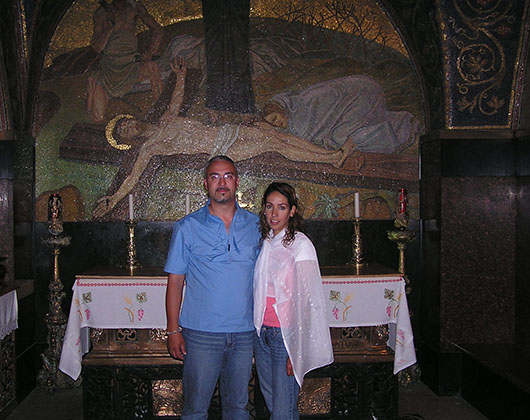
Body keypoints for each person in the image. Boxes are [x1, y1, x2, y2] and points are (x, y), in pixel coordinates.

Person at [92, 56, 350, 219]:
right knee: (274, 143)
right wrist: (113, 199)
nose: (129, 127)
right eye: (124, 132)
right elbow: (132, 177)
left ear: (132, 119)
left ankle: (332, 156)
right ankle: (331, 158)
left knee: (274, 135)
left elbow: (176, 99)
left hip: (224, 133)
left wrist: (180, 76)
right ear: (130, 140)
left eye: (126, 123)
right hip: (221, 147)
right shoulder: (149, 147)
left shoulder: (166, 121)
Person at [164, 155, 261, 419]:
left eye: (228, 176)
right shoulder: (188, 227)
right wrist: (173, 330)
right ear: (205, 183)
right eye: (215, 176)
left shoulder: (257, 225)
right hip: (201, 334)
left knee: (238, 408)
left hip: (244, 332)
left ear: (237, 182)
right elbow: (175, 281)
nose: (222, 182)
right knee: (196, 409)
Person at [253, 182, 333, 419]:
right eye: (269, 207)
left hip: (284, 334)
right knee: (272, 403)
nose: (274, 214)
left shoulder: (300, 245)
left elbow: (308, 298)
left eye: (281, 207)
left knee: (284, 407)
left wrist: (296, 347)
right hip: (262, 331)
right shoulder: (267, 241)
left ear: (293, 211)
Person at [263, 75, 421, 159]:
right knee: (344, 135)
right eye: (274, 124)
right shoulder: (295, 118)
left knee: (341, 138)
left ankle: (398, 133)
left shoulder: (303, 107)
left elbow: (314, 133)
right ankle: (399, 123)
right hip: (353, 102)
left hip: (364, 92)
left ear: (281, 110)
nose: (279, 123)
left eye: (276, 118)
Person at [87, 0, 164, 122]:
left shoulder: (134, 7)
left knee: (151, 66)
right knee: (97, 117)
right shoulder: (101, 13)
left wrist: (150, 52)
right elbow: (97, 47)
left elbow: (158, 30)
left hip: (131, 63)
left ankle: (161, 113)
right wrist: (112, 25)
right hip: (109, 66)